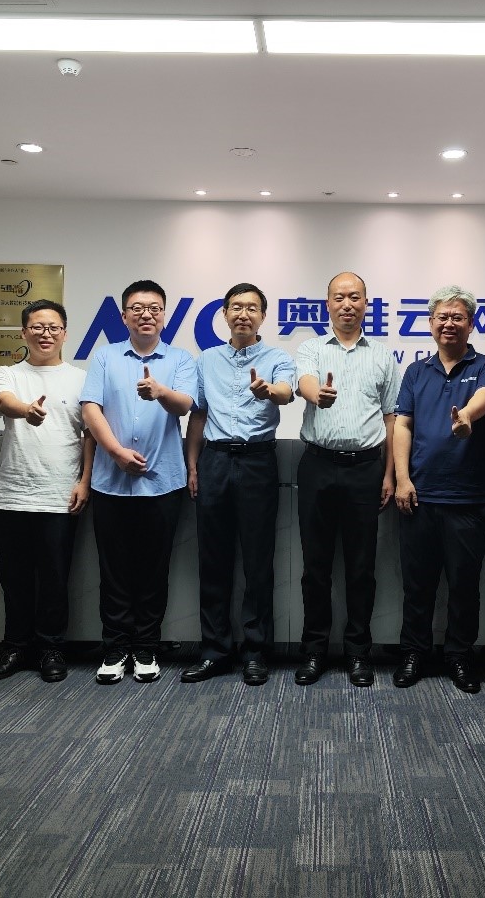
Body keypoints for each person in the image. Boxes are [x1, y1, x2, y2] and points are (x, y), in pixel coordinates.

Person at [80, 280, 197, 685]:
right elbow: (90, 408)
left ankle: (146, 647)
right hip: (110, 481)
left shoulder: (180, 359)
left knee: (153, 570)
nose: (146, 314)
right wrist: (115, 452)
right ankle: (115, 648)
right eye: (137, 308)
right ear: (124, 315)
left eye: (154, 308)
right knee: (113, 570)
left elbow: (185, 404)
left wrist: (160, 391)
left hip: (163, 482)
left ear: (164, 315)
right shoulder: (105, 356)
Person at [182, 283, 295, 686]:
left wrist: (268, 390)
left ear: (263, 316)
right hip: (213, 460)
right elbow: (198, 415)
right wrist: (192, 465)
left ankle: (255, 652)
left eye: (251, 308)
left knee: (258, 561)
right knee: (213, 560)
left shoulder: (278, 358)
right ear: (225, 314)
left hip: (257, 461)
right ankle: (214, 651)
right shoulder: (207, 360)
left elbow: (286, 393)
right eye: (235, 307)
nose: (243, 314)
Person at [392, 287, 485, 693]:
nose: (449, 323)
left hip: (469, 498)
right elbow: (403, 424)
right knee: (417, 585)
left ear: (471, 324)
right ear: (431, 323)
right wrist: (402, 478)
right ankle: (413, 653)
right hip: (419, 496)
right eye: (442, 317)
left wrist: (467, 418)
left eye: (458, 317)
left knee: (464, 585)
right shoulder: (416, 372)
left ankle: (459, 655)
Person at [294, 272, 399, 687]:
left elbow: (392, 418)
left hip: (366, 469)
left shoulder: (383, 356)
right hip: (317, 465)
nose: (347, 304)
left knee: (361, 568)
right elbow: (304, 381)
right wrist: (315, 394)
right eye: (339, 297)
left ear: (366, 304)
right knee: (315, 568)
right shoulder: (311, 348)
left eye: (354, 297)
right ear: (328, 305)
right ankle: (314, 651)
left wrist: (389, 473)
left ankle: (358, 653)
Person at [0, 300, 94, 684]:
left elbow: (90, 435)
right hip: (12, 494)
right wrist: (25, 410)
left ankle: (51, 648)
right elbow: (3, 402)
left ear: (65, 333)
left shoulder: (81, 379)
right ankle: (15, 646)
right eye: (37, 327)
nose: (45, 334)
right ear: (23, 332)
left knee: (54, 578)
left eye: (53, 327)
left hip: (60, 495)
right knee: (13, 579)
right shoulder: (7, 373)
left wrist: (85, 481)